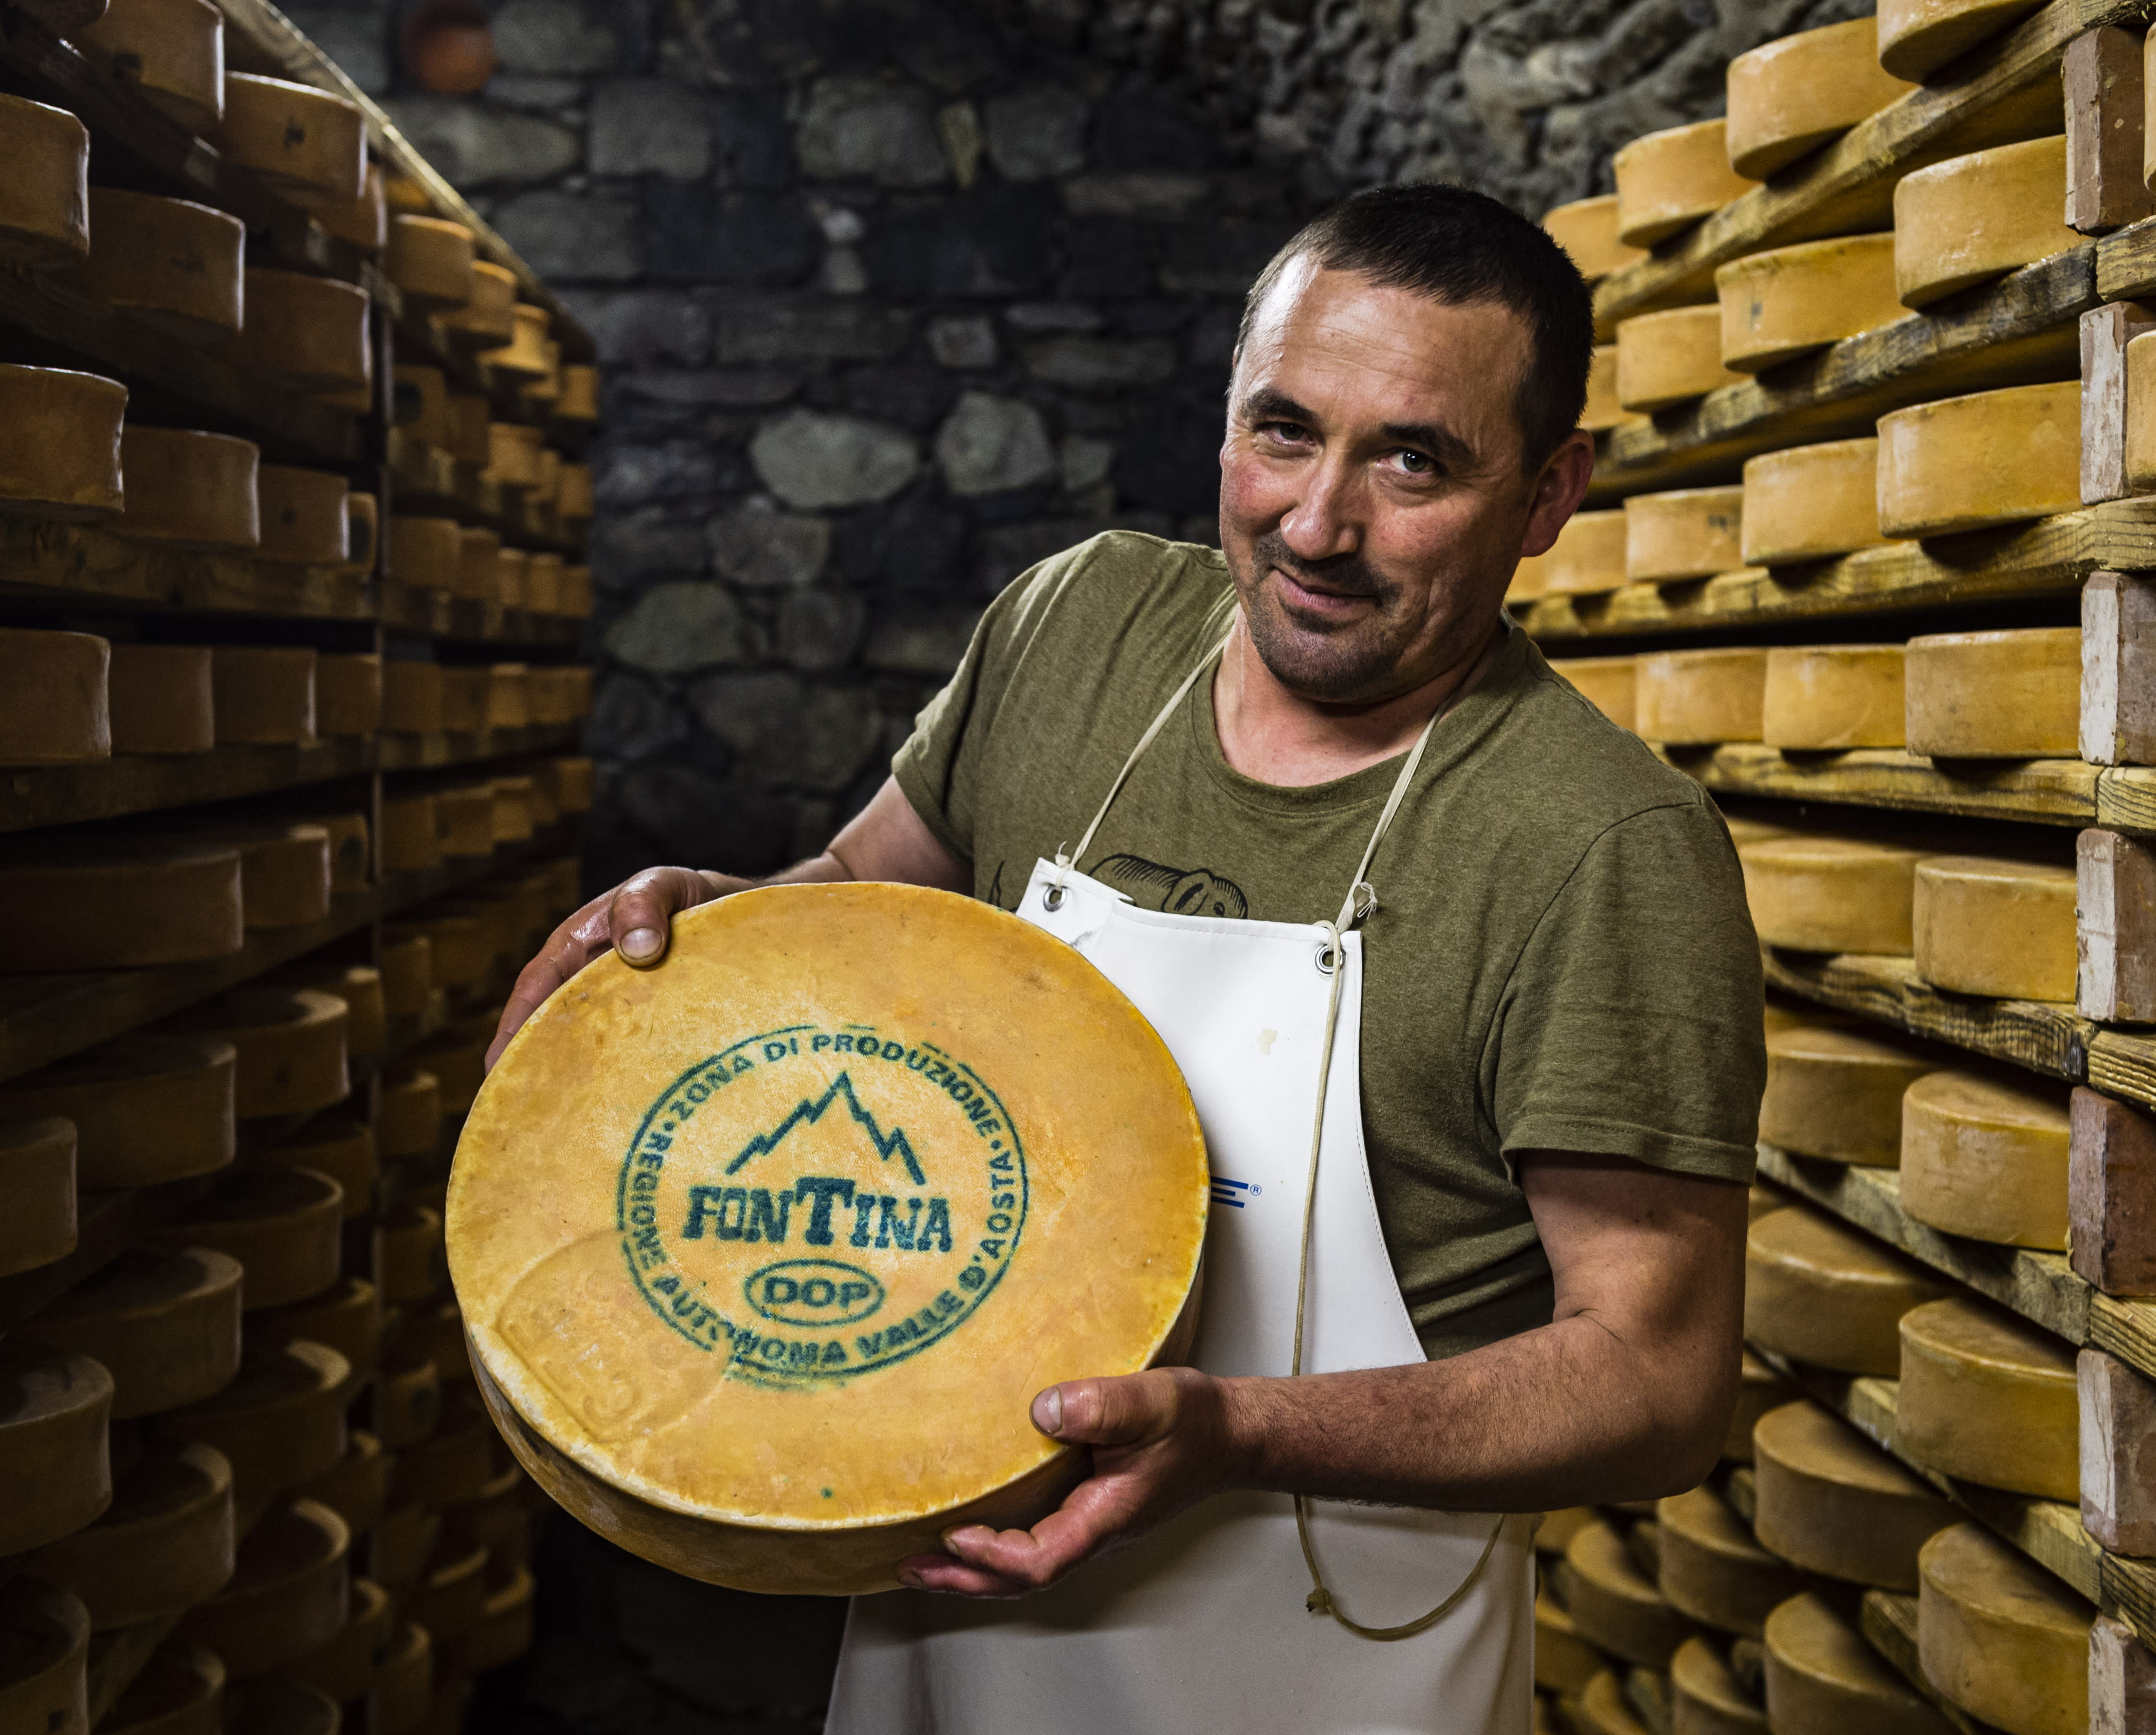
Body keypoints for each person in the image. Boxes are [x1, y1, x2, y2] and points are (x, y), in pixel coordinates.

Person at [488, 183, 1764, 1734]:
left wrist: (1237, 1431)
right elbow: (858, 900)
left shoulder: (1598, 845)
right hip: (943, 1630)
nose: (1316, 525)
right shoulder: (1078, 628)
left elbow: (1657, 1376)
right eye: (1283, 431)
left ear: (1548, 497)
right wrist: (716, 929)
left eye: (1412, 462)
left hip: (1314, 1662)